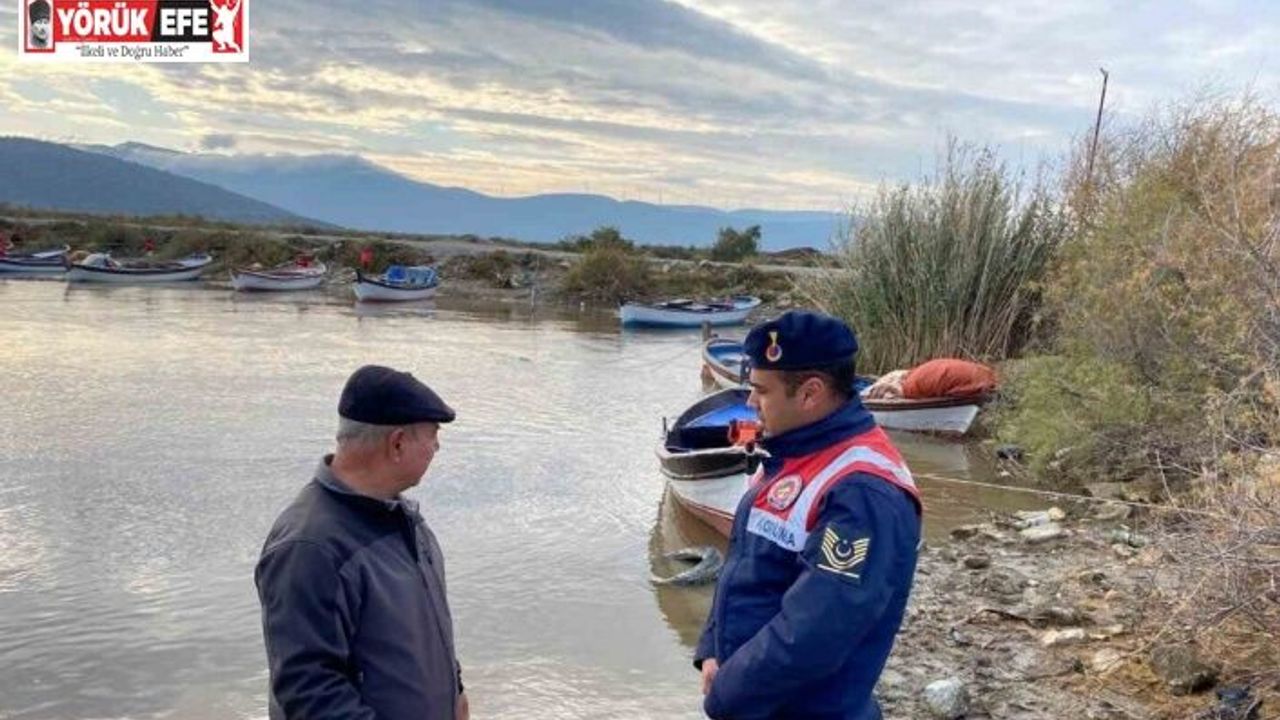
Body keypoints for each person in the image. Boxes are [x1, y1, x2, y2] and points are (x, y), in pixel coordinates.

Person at [695, 311, 923, 720]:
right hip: (754, 700)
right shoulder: (792, 454)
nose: (750, 403)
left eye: (762, 391)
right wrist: (711, 646)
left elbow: (817, 630)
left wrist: (725, 696)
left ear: (810, 393)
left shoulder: (861, 492)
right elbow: (745, 563)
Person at [255, 365, 468, 720]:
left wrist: (455, 691)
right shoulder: (309, 547)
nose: (437, 447)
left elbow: (427, 631)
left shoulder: (404, 521)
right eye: (432, 435)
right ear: (397, 443)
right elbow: (310, 694)